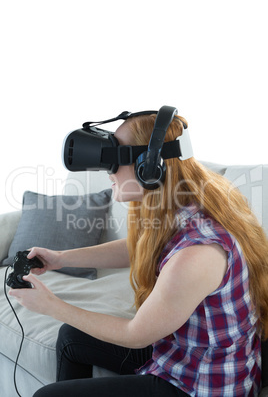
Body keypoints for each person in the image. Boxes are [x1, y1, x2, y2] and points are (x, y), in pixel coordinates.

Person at [9, 113, 268, 396]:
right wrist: (61, 258)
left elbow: (136, 335)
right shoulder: (180, 204)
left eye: (114, 161)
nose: (108, 172)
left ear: (149, 167)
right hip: (178, 353)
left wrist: (51, 305)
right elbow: (140, 247)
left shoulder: (199, 253)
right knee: (72, 338)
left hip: (201, 384)